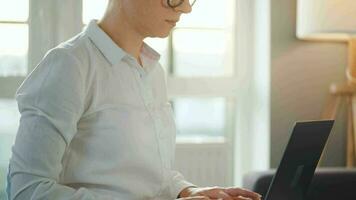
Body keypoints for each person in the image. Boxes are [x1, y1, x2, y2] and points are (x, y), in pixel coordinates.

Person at [6, 0, 262, 199]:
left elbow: (149, 177)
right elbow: (27, 190)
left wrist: (186, 190)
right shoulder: (70, 65)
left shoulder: (151, 70)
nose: (185, 9)